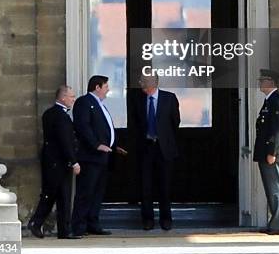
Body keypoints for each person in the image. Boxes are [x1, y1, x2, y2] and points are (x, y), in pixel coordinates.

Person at [71, 75, 127, 237]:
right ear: (97, 87)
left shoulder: (100, 105)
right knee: (85, 192)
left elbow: (104, 130)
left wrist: (114, 146)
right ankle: (79, 226)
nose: (108, 89)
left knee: (97, 193)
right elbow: (83, 127)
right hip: (90, 157)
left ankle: (92, 223)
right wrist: (96, 145)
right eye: (106, 86)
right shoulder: (84, 102)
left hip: (103, 157)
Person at [28, 85, 81, 239]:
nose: (73, 99)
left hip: (52, 160)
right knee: (61, 196)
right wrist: (74, 161)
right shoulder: (61, 116)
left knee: (52, 194)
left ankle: (43, 224)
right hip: (60, 162)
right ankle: (48, 225)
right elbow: (65, 141)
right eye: (71, 96)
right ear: (63, 98)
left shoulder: (49, 113)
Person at [131, 74, 180, 231]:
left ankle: (166, 219)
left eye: (143, 81)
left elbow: (175, 122)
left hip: (164, 148)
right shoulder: (137, 99)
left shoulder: (169, 98)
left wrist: (164, 139)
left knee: (165, 185)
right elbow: (134, 123)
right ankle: (147, 219)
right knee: (146, 186)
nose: (140, 83)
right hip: (145, 148)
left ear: (154, 82)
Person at [253, 68, 279, 235]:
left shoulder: (276, 100)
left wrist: (272, 152)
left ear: (272, 83)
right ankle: (274, 222)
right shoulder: (269, 100)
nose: (260, 82)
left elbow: (277, 129)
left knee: (275, 188)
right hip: (266, 151)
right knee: (271, 189)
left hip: (271, 152)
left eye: (263, 80)